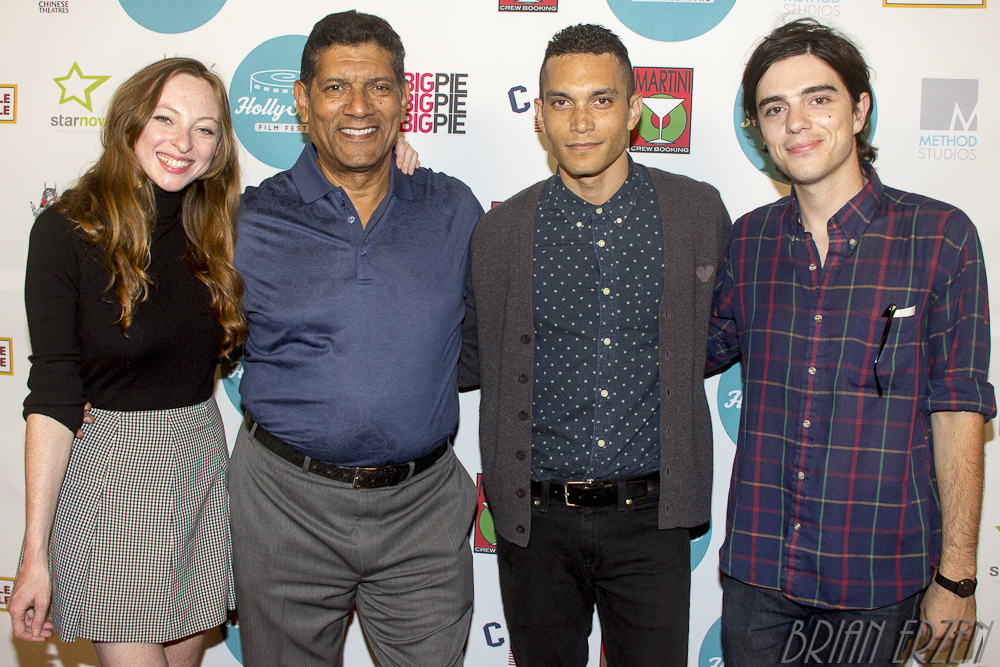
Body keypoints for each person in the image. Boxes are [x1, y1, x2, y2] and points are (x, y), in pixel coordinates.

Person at [708, 19, 995, 667]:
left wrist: (956, 577)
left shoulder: (940, 237)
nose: (797, 122)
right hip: (759, 572)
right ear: (759, 131)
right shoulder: (748, 241)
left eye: (819, 98)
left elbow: (958, 409)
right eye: (774, 108)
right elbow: (685, 349)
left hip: (878, 578)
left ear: (860, 109)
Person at [462, 24, 732, 666]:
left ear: (636, 109)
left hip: (651, 519)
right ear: (540, 116)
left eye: (601, 100)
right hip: (535, 523)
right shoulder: (501, 232)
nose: (580, 121)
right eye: (561, 101)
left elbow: (721, 334)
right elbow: (474, 354)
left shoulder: (696, 213)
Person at [229, 10, 482, 667]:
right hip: (284, 508)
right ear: (302, 100)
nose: (359, 106)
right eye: (337, 86)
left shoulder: (452, 208)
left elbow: (492, 336)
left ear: (403, 98)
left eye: (378, 86)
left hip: (423, 511)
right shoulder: (250, 219)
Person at [9, 58, 245, 667]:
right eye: (165, 119)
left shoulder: (219, 230)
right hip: (113, 475)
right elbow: (54, 390)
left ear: (219, 149)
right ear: (129, 122)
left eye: (204, 128)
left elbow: (328, 187)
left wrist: (395, 157)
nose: (182, 142)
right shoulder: (67, 231)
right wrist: (34, 551)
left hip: (198, 462)